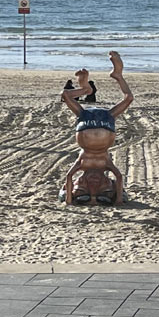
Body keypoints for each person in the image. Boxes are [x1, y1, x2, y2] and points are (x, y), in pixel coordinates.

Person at [59, 52, 132, 205]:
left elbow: (69, 177)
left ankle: (86, 90)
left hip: (84, 118)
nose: (94, 184)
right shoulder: (105, 162)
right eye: (102, 190)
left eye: (83, 189)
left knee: (65, 94)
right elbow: (118, 177)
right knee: (129, 98)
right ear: (108, 182)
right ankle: (117, 75)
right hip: (106, 120)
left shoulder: (83, 162)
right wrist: (118, 199)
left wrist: (68, 199)